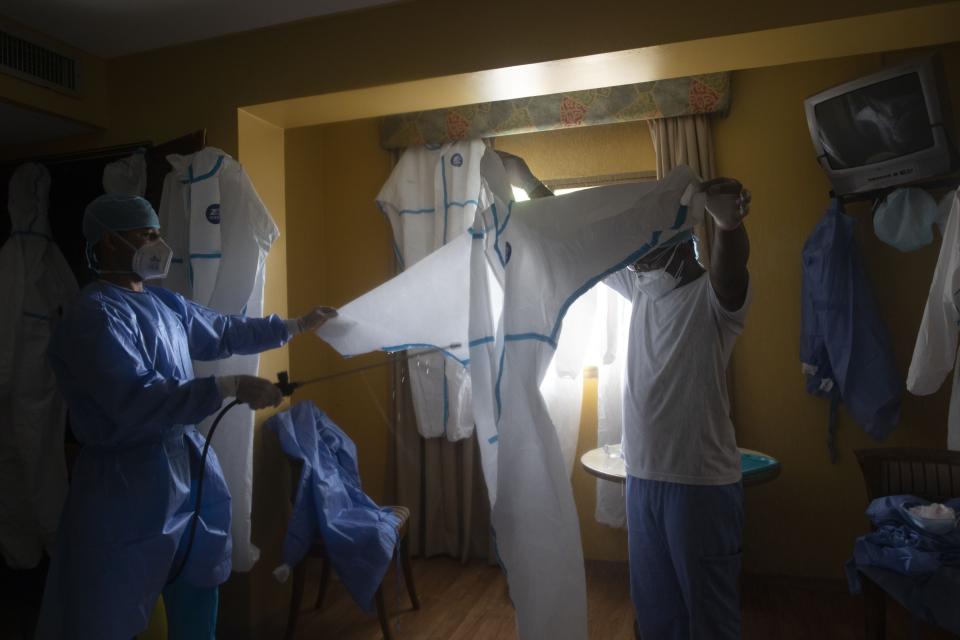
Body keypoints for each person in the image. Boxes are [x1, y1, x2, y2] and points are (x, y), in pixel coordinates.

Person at [37, 194, 335, 640]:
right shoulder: (93, 315)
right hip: (125, 483)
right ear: (109, 242)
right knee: (113, 606)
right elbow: (135, 397)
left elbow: (223, 330)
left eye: (157, 232)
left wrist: (294, 326)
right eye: (147, 234)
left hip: (187, 466)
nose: (159, 243)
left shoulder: (163, 304)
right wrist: (227, 387)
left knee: (196, 587)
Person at [498, 150, 751, 640]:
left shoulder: (711, 300)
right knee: (655, 615)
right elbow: (582, 240)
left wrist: (728, 222)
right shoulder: (641, 291)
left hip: (700, 483)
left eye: (647, 244)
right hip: (644, 478)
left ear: (679, 241)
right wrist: (528, 182)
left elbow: (731, 270)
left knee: (709, 616)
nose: (636, 255)